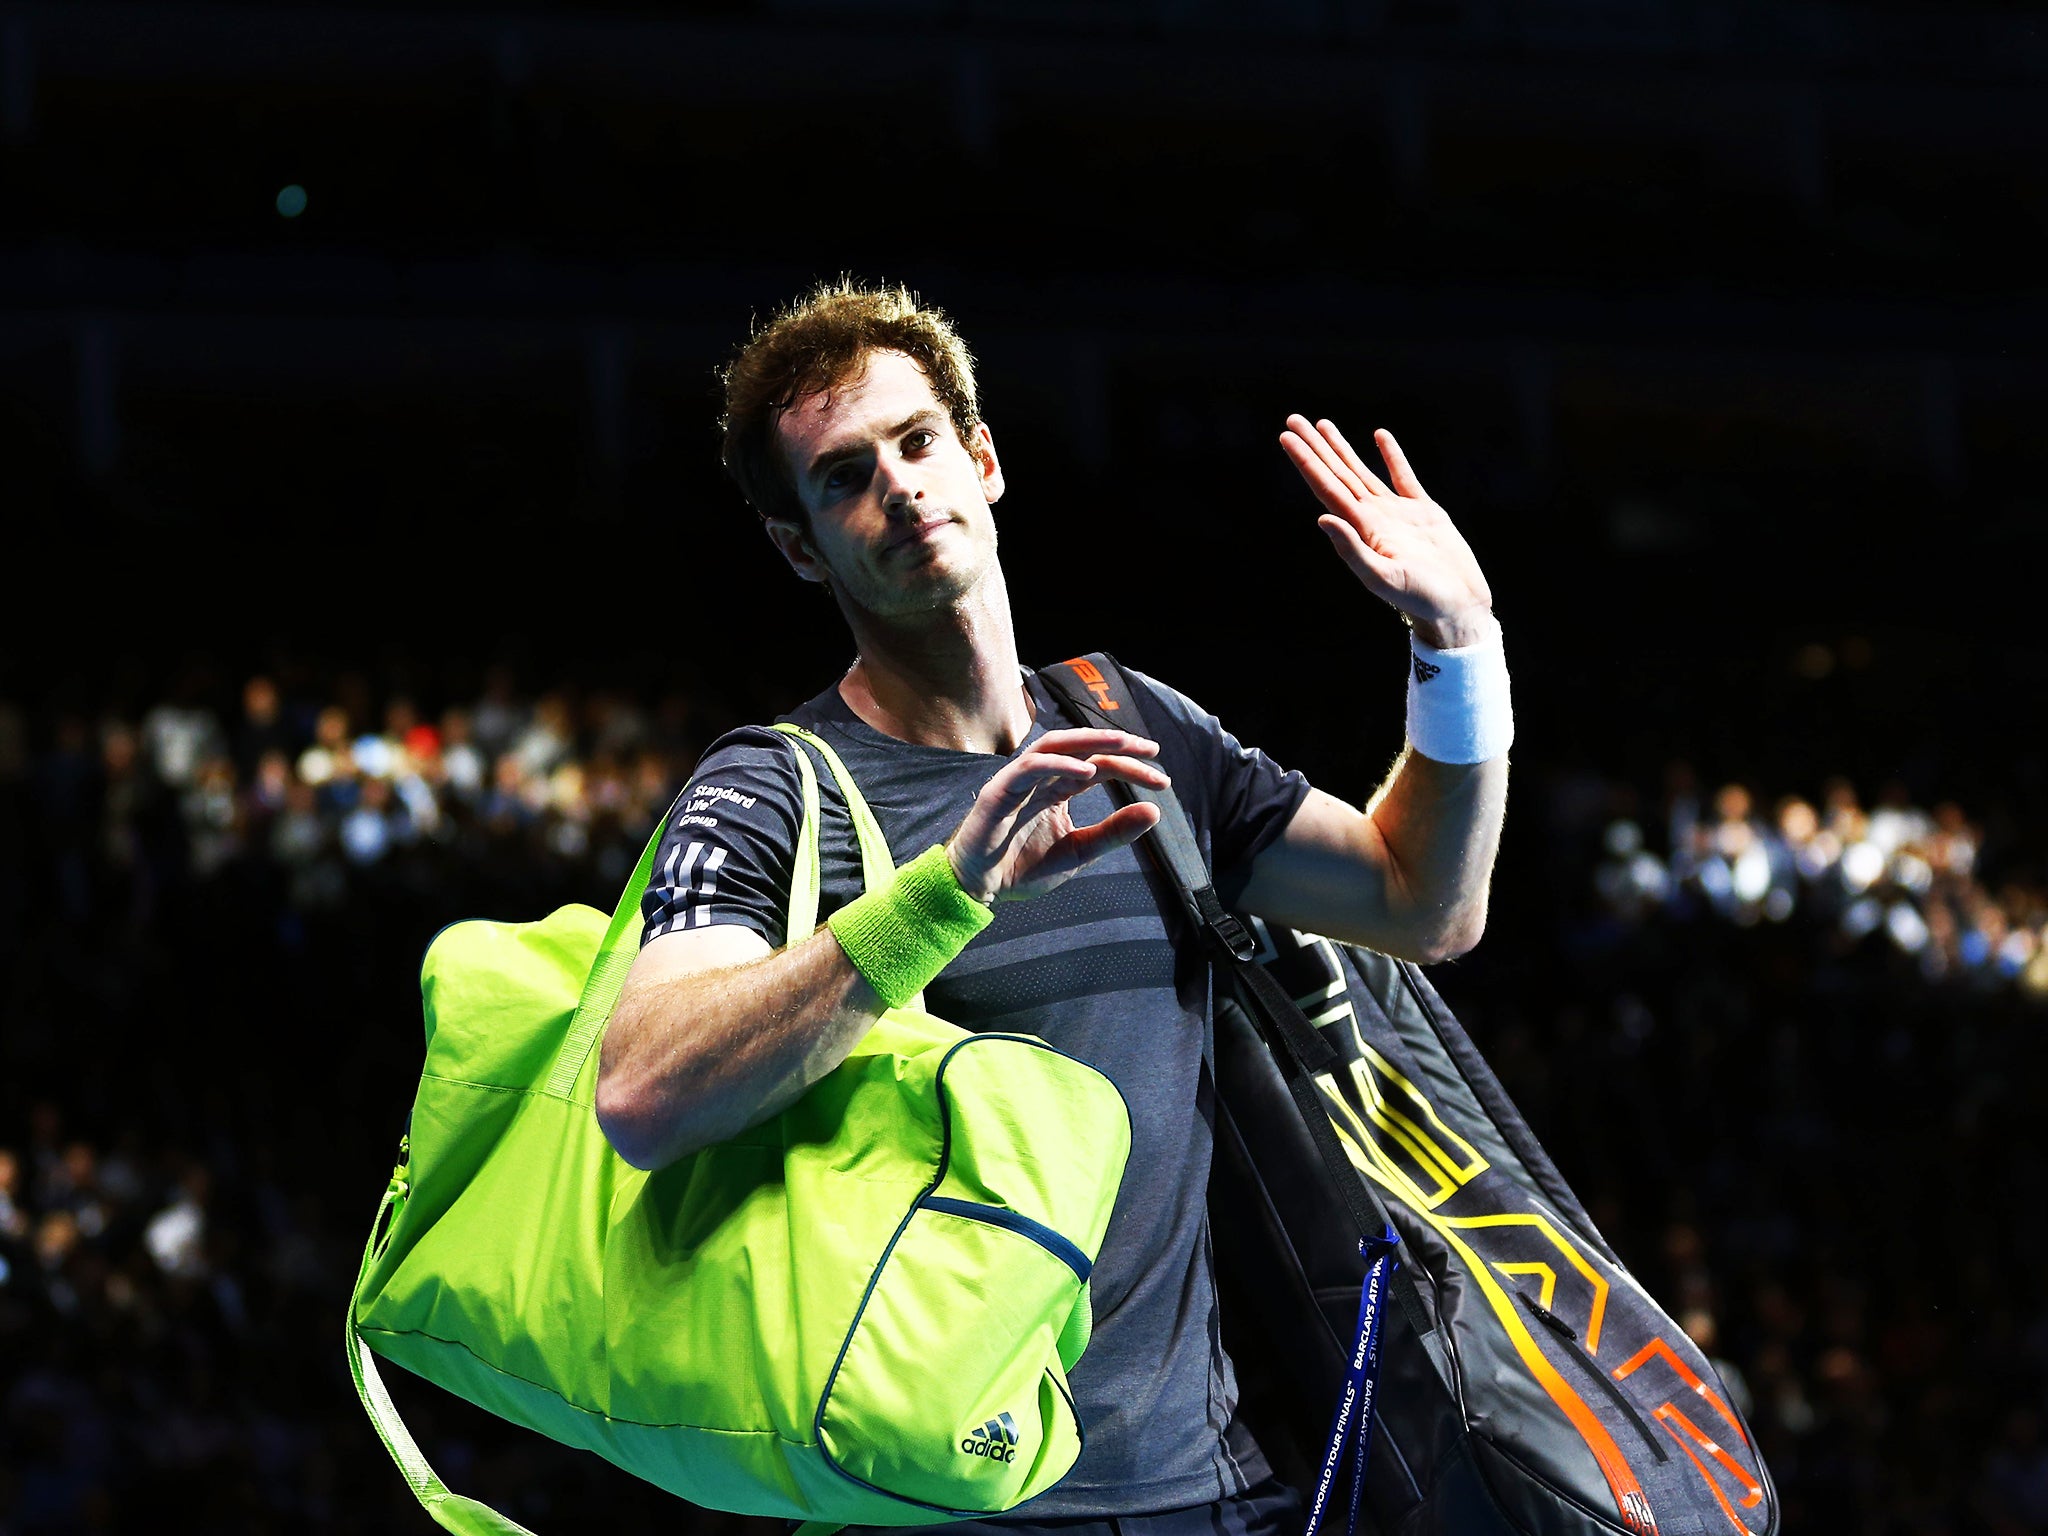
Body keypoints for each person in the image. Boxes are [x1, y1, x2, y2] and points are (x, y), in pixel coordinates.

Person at [595, 281, 1510, 1532]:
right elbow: (645, 1092)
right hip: (933, 1504)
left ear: (981, 458)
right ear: (801, 547)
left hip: (1205, 1491)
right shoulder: (771, 789)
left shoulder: (1128, 722)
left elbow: (1423, 903)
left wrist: (1459, 647)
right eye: (844, 476)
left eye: (917, 443)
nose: (900, 487)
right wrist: (944, 895)